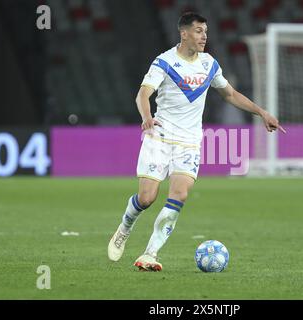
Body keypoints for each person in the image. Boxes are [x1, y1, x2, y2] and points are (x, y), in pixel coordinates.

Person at [108, 12, 285, 271]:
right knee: (146, 198)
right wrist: (147, 117)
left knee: (179, 195)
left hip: (190, 142)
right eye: (200, 31)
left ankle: (150, 254)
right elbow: (143, 94)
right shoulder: (164, 62)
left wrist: (262, 113)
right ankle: (125, 227)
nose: (205, 36)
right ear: (184, 33)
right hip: (160, 136)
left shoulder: (209, 64)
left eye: (206, 31)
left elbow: (230, 94)